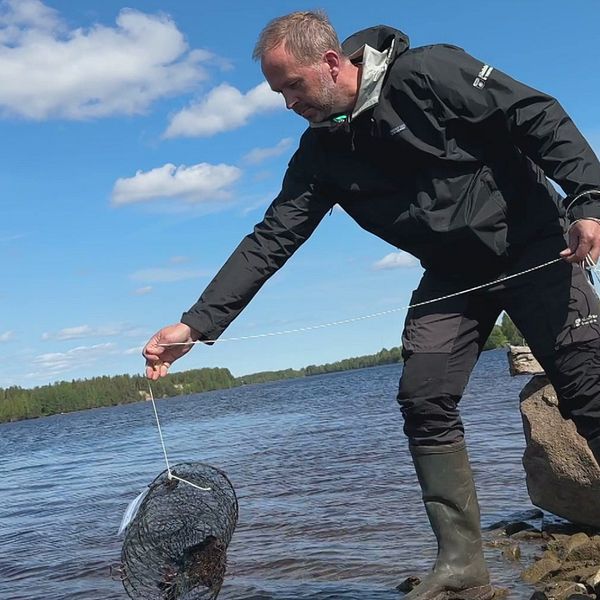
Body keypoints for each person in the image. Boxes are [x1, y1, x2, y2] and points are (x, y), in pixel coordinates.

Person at [143, 11, 600, 599]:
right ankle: (462, 564)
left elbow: (533, 111)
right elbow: (272, 237)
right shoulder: (321, 154)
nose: (287, 103)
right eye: (278, 92)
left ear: (332, 63)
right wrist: (196, 324)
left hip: (537, 246)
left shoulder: (431, 72)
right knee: (424, 395)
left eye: (292, 86)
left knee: (587, 385)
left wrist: (586, 195)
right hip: (453, 275)